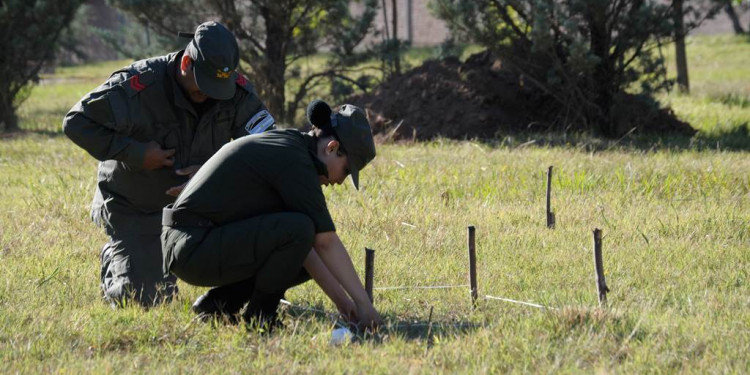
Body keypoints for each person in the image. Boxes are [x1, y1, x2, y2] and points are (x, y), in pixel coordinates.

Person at [62, 21, 275, 307]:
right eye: (203, 87)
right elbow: (77, 122)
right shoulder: (140, 85)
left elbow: (268, 148)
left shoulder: (232, 90)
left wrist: (214, 172)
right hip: (137, 206)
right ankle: (117, 260)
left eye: (218, 87)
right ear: (186, 62)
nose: (210, 94)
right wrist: (136, 153)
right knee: (143, 300)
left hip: (201, 208)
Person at [160, 100, 382, 330]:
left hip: (193, 241)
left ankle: (219, 305)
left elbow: (308, 251)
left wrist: (347, 307)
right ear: (332, 147)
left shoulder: (294, 148)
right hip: (192, 246)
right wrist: (364, 304)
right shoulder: (294, 160)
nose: (340, 181)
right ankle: (261, 318)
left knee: (301, 238)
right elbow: (325, 242)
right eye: (346, 171)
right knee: (301, 230)